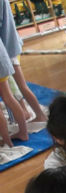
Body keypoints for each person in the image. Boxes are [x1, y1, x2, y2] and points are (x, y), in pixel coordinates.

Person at [0, 0, 29, 147]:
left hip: (4, 55)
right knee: (9, 97)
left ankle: (6, 141)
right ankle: (23, 132)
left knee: (8, 98)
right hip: (2, 57)